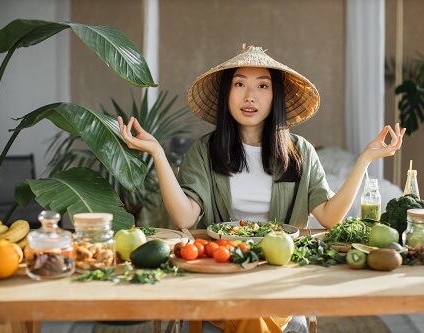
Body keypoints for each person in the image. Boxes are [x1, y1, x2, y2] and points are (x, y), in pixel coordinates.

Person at [118, 44, 406, 333]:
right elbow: (184, 218)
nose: (249, 96)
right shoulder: (204, 151)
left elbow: (330, 218)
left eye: (262, 85)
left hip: (278, 275)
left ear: (275, 96)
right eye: (239, 83)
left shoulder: (299, 152)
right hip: (222, 272)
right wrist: (157, 153)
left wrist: (365, 159)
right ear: (226, 94)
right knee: (252, 310)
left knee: (256, 308)